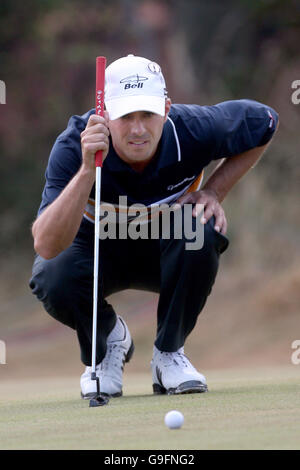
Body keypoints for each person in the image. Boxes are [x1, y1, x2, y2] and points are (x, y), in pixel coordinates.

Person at [29, 54, 279, 398]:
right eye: (125, 116)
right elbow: (46, 245)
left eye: (147, 114)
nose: (137, 129)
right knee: (51, 274)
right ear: (104, 115)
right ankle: (107, 343)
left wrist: (214, 191)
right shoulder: (75, 145)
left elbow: (265, 122)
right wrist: (88, 169)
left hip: (165, 255)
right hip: (95, 256)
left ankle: (168, 354)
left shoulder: (194, 130)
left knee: (199, 229)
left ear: (166, 108)